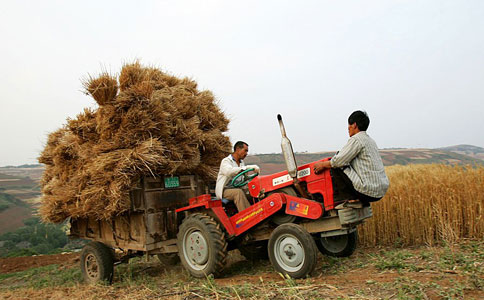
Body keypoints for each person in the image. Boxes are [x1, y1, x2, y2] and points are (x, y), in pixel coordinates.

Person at [313, 111, 389, 205]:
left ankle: (350, 198)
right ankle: (360, 200)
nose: (348, 128)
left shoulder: (356, 140)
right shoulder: (371, 141)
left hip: (367, 190)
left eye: (349, 125)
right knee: (339, 161)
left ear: (354, 125)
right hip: (379, 191)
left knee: (335, 164)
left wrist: (323, 165)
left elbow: (338, 161)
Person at [215, 141, 260, 212]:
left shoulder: (241, 163)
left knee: (254, 190)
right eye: (245, 151)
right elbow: (229, 172)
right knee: (238, 193)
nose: (246, 154)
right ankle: (248, 216)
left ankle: (259, 210)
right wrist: (247, 168)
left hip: (238, 187)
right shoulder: (226, 161)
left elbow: (244, 178)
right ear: (238, 149)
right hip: (225, 190)